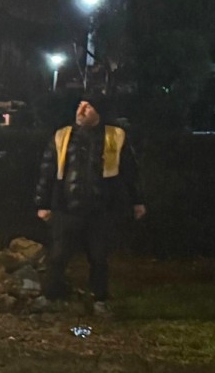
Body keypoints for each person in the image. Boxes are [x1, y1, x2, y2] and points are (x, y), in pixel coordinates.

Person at [35, 96, 145, 315]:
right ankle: (50, 296)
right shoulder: (63, 135)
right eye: (80, 106)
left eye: (88, 107)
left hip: (101, 209)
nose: (81, 111)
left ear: (99, 112)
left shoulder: (115, 136)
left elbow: (130, 172)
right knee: (58, 256)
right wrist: (43, 203)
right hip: (66, 208)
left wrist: (137, 201)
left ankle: (99, 299)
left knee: (99, 257)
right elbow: (47, 171)